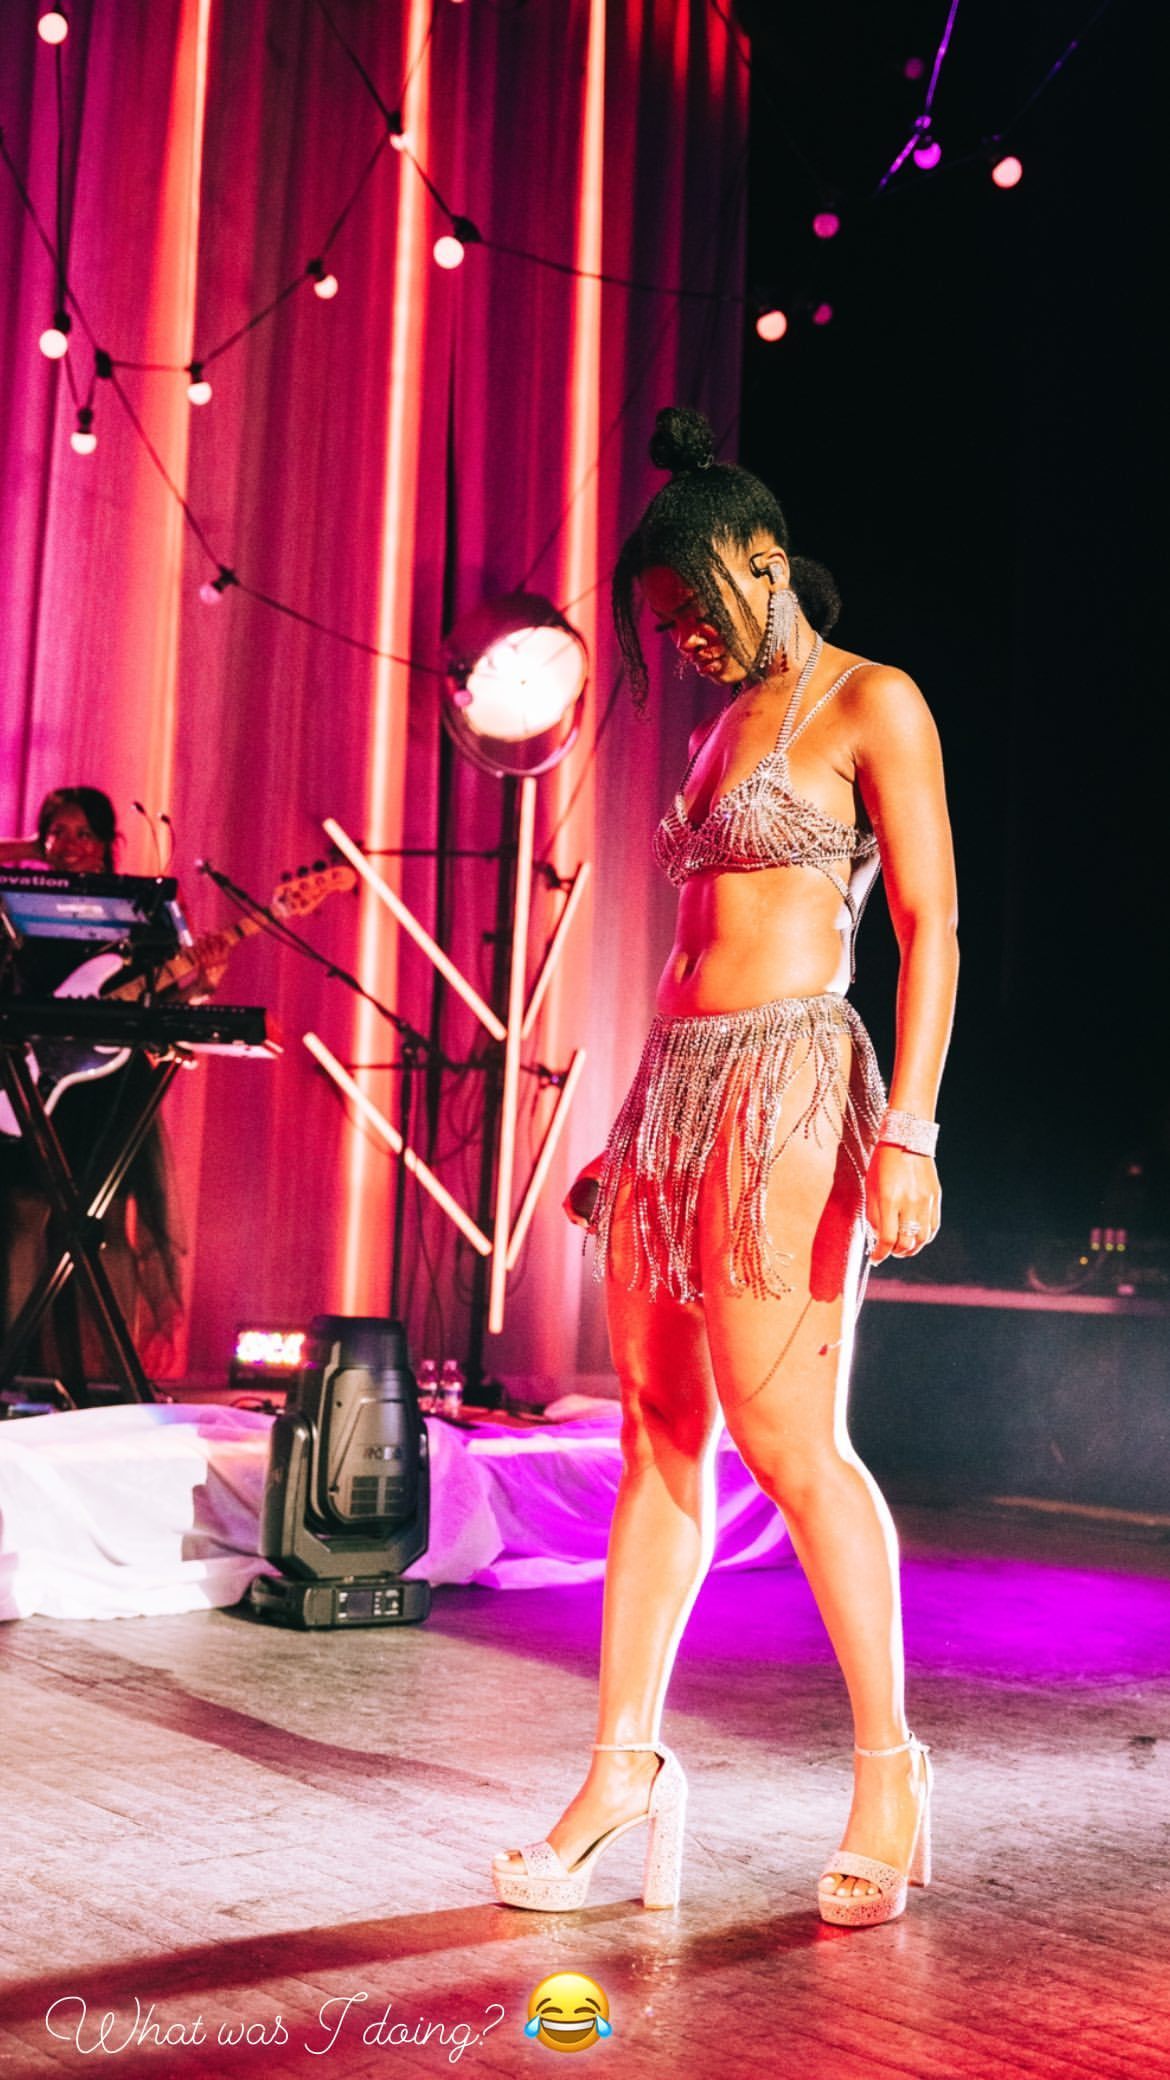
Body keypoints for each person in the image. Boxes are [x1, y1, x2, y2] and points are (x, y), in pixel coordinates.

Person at [492, 407, 959, 1929]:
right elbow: (694, 949)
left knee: (789, 1442)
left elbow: (931, 929)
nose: (683, 641)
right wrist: (629, 1131)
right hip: (676, 1093)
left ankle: (888, 1772)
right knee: (654, 1435)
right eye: (663, 626)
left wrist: (908, 1132)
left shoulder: (872, 700)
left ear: (763, 557)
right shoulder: (713, 730)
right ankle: (621, 1767)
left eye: (694, 607)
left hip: (792, 1087)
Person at [0, 788, 194, 1390]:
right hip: (35, 1084)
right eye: (57, 832)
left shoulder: (137, 909)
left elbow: (174, 991)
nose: (69, 845)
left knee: (101, 1226)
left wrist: (201, 982)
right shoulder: (20, 903)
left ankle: (103, 1380)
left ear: (109, 843)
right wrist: (31, 850)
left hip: (109, 1090)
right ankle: (15, 1375)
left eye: (84, 833)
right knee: (23, 1219)